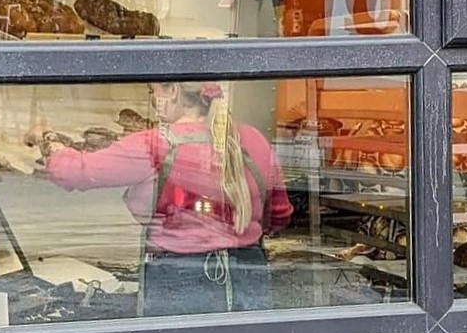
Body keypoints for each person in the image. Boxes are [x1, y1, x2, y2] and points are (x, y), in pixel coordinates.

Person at [27, 81, 293, 317]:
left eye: (153, 91)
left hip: (179, 279)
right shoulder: (253, 139)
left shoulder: (154, 145)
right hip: (249, 273)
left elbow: (76, 172)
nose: (153, 100)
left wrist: (49, 141)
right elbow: (279, 213)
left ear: (174, 91)